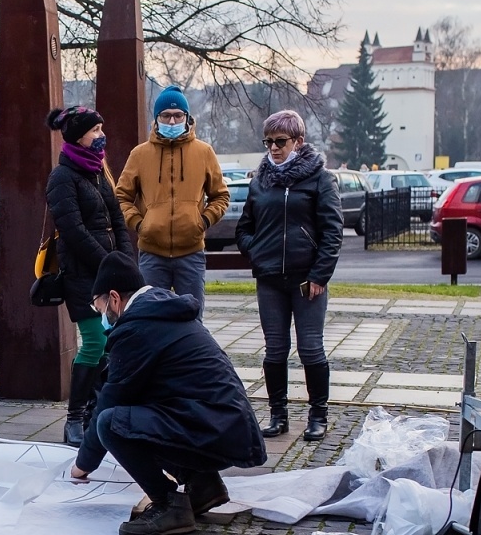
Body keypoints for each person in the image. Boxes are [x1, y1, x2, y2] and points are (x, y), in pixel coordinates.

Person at [70, 253, 266, 535]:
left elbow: (110, 402)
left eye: (99, 307)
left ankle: (168, 505)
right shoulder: (162, 310)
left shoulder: (137, 327)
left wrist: (82, 466)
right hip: (226, 426)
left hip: (215, 428)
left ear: (114, 298)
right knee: (141, 411)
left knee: (111, 423)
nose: (101, 316)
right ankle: (203, 486)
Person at [235, 110, 344, 442]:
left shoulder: (320, 179)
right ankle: (277, 414)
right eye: (268, 142)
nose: (274, 148)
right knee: (274, 350)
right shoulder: (260, 180)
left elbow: (332, 231)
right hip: (270, 279)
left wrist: (320, 274)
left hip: (306, 278)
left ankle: (318, 415)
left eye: (280, 141)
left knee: (311, 348)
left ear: (298, 141)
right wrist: (257, 251)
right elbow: (244, 229)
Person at [45, 104, 133, 445]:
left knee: (111, 345)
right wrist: (110, 264)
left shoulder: (99, 172)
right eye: (95, 130)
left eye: (101, 129)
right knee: (95, 341)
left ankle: (98, 410)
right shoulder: (62, 177)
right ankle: (74, 418)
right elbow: (73, 230)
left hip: (110, 273)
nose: (101, 135)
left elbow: (117, 219)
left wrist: (124, 261)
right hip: (82, 275)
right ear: (77, 136)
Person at [115, 86, 231, 305]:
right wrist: (140, 224)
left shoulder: (204, 152)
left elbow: (221, 196)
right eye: (166, 115)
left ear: (187, 118)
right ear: (157, 118)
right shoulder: (139, 154)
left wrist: (202, 221)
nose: (172, 121)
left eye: (178, 115)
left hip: (191, 252)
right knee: (152, 319)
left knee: (192, 319)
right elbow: (121, 196)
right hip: (151, 254)